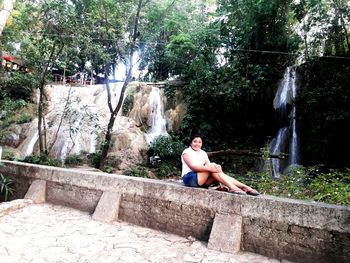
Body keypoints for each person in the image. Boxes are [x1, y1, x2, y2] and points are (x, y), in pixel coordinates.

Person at [181, 134, 260, 196]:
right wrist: (212, 167)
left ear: (201, 144)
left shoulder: (203, 153)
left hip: (202, 181)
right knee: (212, 166)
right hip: (189, 178)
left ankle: (244, 187)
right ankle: (234, 187)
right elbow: (193, 167)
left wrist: (216, 168)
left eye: (199, 142)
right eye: (195, 141)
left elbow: (209, 167)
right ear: (191, 143)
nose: (197, 144)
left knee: (214, 168)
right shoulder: (187, 152)